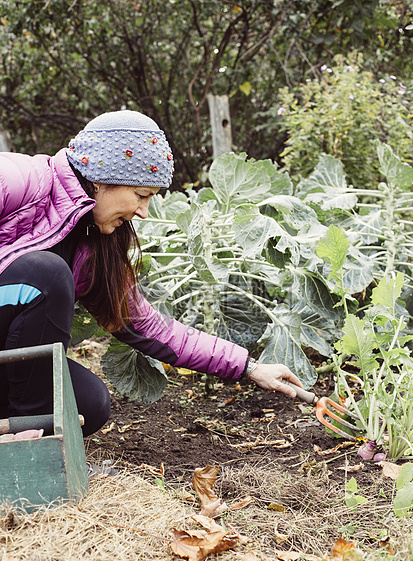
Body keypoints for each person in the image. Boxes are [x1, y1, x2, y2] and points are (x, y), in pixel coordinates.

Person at [0, 110, 303, 436]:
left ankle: (19, 431)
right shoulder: (19, 179)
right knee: (46, 274)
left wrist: (249, 367)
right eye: (141, 196)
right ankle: (24, 442)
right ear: (101, 178)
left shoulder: (92, 245)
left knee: (89, 404)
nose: (143, 212)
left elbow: (149, 327)